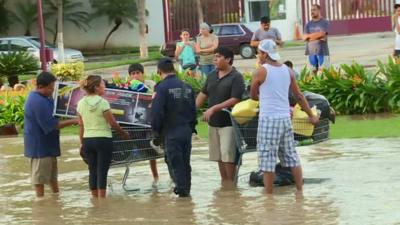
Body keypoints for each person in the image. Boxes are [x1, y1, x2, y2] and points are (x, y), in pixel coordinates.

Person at [250, 39, 319, 195]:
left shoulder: (261, 71)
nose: (258, 56)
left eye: (259, 53)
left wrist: (260, 93)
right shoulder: (287, 71)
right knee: (291, 156)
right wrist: (311, 115)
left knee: (267, 159)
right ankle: (300, 192)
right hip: (285, 120)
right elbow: (299, 96)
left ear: (264, 54)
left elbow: (253, 96)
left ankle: (269, 196)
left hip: (269, 120)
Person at [24, 71, 78, 198]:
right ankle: (40, 201)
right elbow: (53, 125)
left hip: (47, 144)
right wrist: (75, 120)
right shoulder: (37, 101)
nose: (52, 90)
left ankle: (56, 196)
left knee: (52, 176)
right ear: (40, 86)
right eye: (50, 88)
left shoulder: (44, 97)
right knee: (39, 178)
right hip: (40, 146)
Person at [196, 47, 245, 184]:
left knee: (228, 156)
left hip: (229, 123)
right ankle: (225, 186)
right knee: (218, 156)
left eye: (218, 56)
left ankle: (232, 186)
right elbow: (203, 94)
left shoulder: (236, 77)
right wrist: (192, 110)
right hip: (213, 123)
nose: (215, 59)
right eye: (214, 57)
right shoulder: (212, 75)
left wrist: (214, 108)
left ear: (228, 59)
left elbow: (236, 99)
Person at [151, 58, 197, 197]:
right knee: (185, 163)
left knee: (174, 162)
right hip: (186, 130)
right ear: (174, 70)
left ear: (159, 71)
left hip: (170, 132)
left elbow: (157, 112)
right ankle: (187, 193)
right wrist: (191, 128)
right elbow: (193, 111)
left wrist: (156, 131)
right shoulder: (187, 87)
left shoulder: (161, 88)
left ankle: (182, 194)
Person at [77, 75, 129, 198]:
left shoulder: (80, 103)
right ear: (96, 87)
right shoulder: (103, 103)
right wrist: (123, 133)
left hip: (88, 140)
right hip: (103, 139)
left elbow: (81, 125)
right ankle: (102, 200)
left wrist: (81, 143)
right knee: (102, 170)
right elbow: (112, 123)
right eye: (103, 84)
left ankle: (94, 199)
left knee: (92, 170)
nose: (104, 87)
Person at [127, 63, 160, 186]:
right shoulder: (127, 86)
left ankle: (156, 177)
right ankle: (155, 177)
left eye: (137, 73)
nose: (135, 76)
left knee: (153, 152)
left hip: (149, 121)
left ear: (142, 74)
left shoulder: (150, 84)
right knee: (148, 149)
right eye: (133, 74)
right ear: (129, 76)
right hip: (135, 123)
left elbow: (154, 96)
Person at [303, 4, 330, 72]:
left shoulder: (325, 22)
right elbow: (305, 38)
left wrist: (310, 37)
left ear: (319, 10)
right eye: (311, 10)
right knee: (312, 75)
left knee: (324, 74)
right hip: (310, 52)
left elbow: (323, 36)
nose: (312, 12)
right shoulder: (308, 24)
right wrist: (318, 36)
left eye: (314, 10)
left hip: (322, 52)